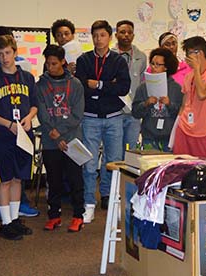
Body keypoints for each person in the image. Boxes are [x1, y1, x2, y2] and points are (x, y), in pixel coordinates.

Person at [75, 20, 131, 219]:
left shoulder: (118, 61)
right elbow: (81, 86)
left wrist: (98, 85)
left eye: (103, 35)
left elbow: (123, 88)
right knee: (89, 163)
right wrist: (110, 85)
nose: (99, 40)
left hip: (114, 117)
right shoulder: (84, 60)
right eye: (95, 36)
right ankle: (89, 201)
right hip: (90, 118)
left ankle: (108, 196)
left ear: (110, 37)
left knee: (113, 161)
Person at [0, 26, 39, 222]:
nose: (4, 58)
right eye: (0, 54)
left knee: (19, 178)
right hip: (2, 136)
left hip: (24, 135)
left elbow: (35, 105)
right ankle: (6, 222)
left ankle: (15, 219)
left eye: (8, 53)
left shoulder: (27, 77)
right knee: (4, 180)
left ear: (15, 52)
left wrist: (29, 117)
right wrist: (9, 125)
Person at [36, 45, 86, 232]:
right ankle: (54, 216)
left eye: (54, 63)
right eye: (47, 63)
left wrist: (62, 135)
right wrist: (56, 136)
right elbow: (42, 114)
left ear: (63, 62)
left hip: (72, 140)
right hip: (51, 140)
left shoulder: (75, 84)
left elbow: (77, 114)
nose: (50, 67)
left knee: (75, 179)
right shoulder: (40, 85)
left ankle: (77, 216)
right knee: (53, 180)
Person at [172, 36, 206, 158]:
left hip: (204, 131)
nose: (187, 58)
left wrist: (196, 69)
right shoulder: (188, 76)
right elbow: (184, 104)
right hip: (184, 128)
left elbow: (202, 94)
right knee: (180, 168)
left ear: (199, 53)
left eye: (189, 53)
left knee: (203, 169)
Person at [132, 48, 183, 151]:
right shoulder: (143, 87)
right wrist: (146, 103)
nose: (154, 67)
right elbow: (135, 112)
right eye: (152, 64)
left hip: (169, 138)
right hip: (149, 137)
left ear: (166, 67)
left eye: (158, 65)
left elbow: (181, 113)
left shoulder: (176, 88)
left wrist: (169, 104)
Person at [112, 20, 147, 152]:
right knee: (113, 151)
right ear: (116, 35)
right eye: (122, 32)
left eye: (129, 32)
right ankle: (111, 174)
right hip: (115, 111)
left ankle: (126, 174)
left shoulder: (141, 57)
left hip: (133, 112)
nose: (126, 35)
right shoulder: (110, 55)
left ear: (133, 35)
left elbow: (143, 82)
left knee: (131, 150)